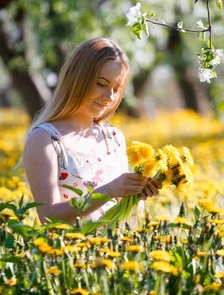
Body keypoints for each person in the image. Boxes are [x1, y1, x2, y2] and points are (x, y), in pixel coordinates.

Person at [21, 38, 161, 224]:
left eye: (116, 89)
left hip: (112, 250)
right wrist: (108, 191)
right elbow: (49, 216)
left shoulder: (113, 138)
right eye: (101, 84)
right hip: (68, 251)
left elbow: (126, 217)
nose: (109, 97)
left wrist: (136, 194)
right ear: (77, 79)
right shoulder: (45, 139)